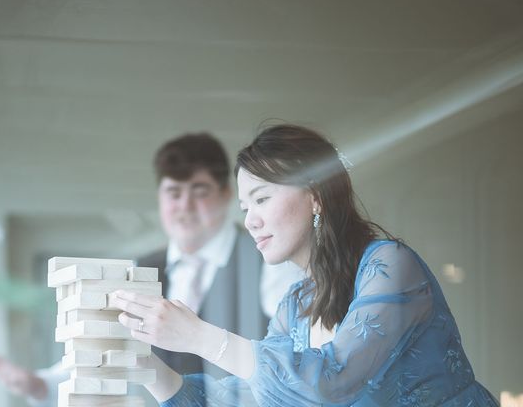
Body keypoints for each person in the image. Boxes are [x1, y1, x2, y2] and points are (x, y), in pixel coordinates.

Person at [110, 124, 498, 406]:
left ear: (315, 195)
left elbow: (331, 382)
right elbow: (249, 398)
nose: (250, 220)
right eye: (245, 208)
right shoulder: (296, 304)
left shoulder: (389, 264)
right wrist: (140, 360)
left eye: (261, 199)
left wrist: (198, 336)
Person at [0, 132, 302, 406]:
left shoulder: (270, 260)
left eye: (198, 192)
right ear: (160, 199)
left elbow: (292, 360)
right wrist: (40, 384)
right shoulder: (142, 268)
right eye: (174, 193)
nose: (185, 206)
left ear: (226, 195)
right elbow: (103, 345)